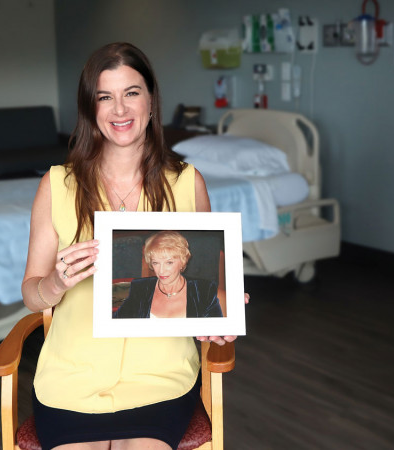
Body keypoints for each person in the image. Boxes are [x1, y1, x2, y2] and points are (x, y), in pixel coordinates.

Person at [21, 42, 245, 450]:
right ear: (91, 109)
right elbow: (32, 295)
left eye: (131, 93)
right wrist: (55, 282)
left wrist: (219, 315)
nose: (119, 110)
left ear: (152, 102)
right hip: (72, 378)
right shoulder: (56, 186)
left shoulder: (187, 182)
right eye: (105, 97)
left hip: (159, 377)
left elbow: (209, 292)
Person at [115, 231, 223, 319]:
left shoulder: (204, 291)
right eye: (156, 263)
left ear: (182, 261)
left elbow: (217, 335)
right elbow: (117, 325)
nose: (161, 271)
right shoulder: (139, 288)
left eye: (169, 262)